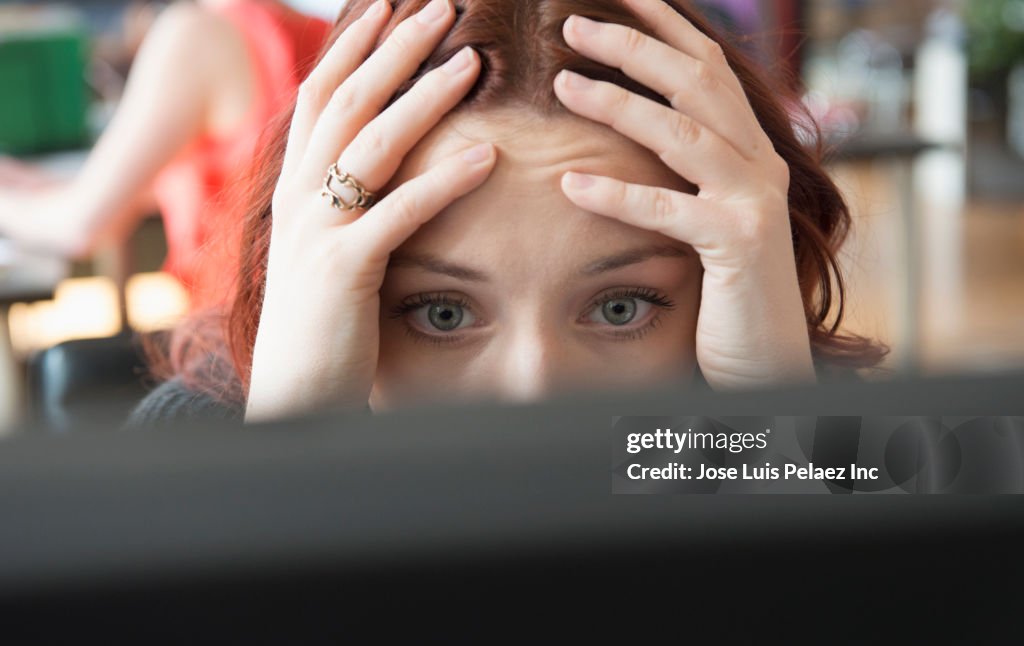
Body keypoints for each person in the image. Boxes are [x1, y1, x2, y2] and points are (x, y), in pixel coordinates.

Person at [128, 0, 887, 426]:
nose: (535, 392)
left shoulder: (812, 436)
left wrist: (772, 426)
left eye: (620, 308)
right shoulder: (193, 451)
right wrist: (293, 461)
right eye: (441, 314)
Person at [0, 0, 330, 309]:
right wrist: (28, 184)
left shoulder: (194, 35)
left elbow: (79, 227)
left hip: (234, 339)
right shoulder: (320, 29)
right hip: (303, 326)